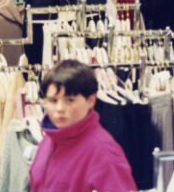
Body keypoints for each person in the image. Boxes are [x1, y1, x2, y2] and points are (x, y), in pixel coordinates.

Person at [29, 60, 136, 191]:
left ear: (90, 100)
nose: (60, 108)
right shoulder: (48, 141)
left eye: (69, 100)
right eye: (53, 100)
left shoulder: (104, 153)